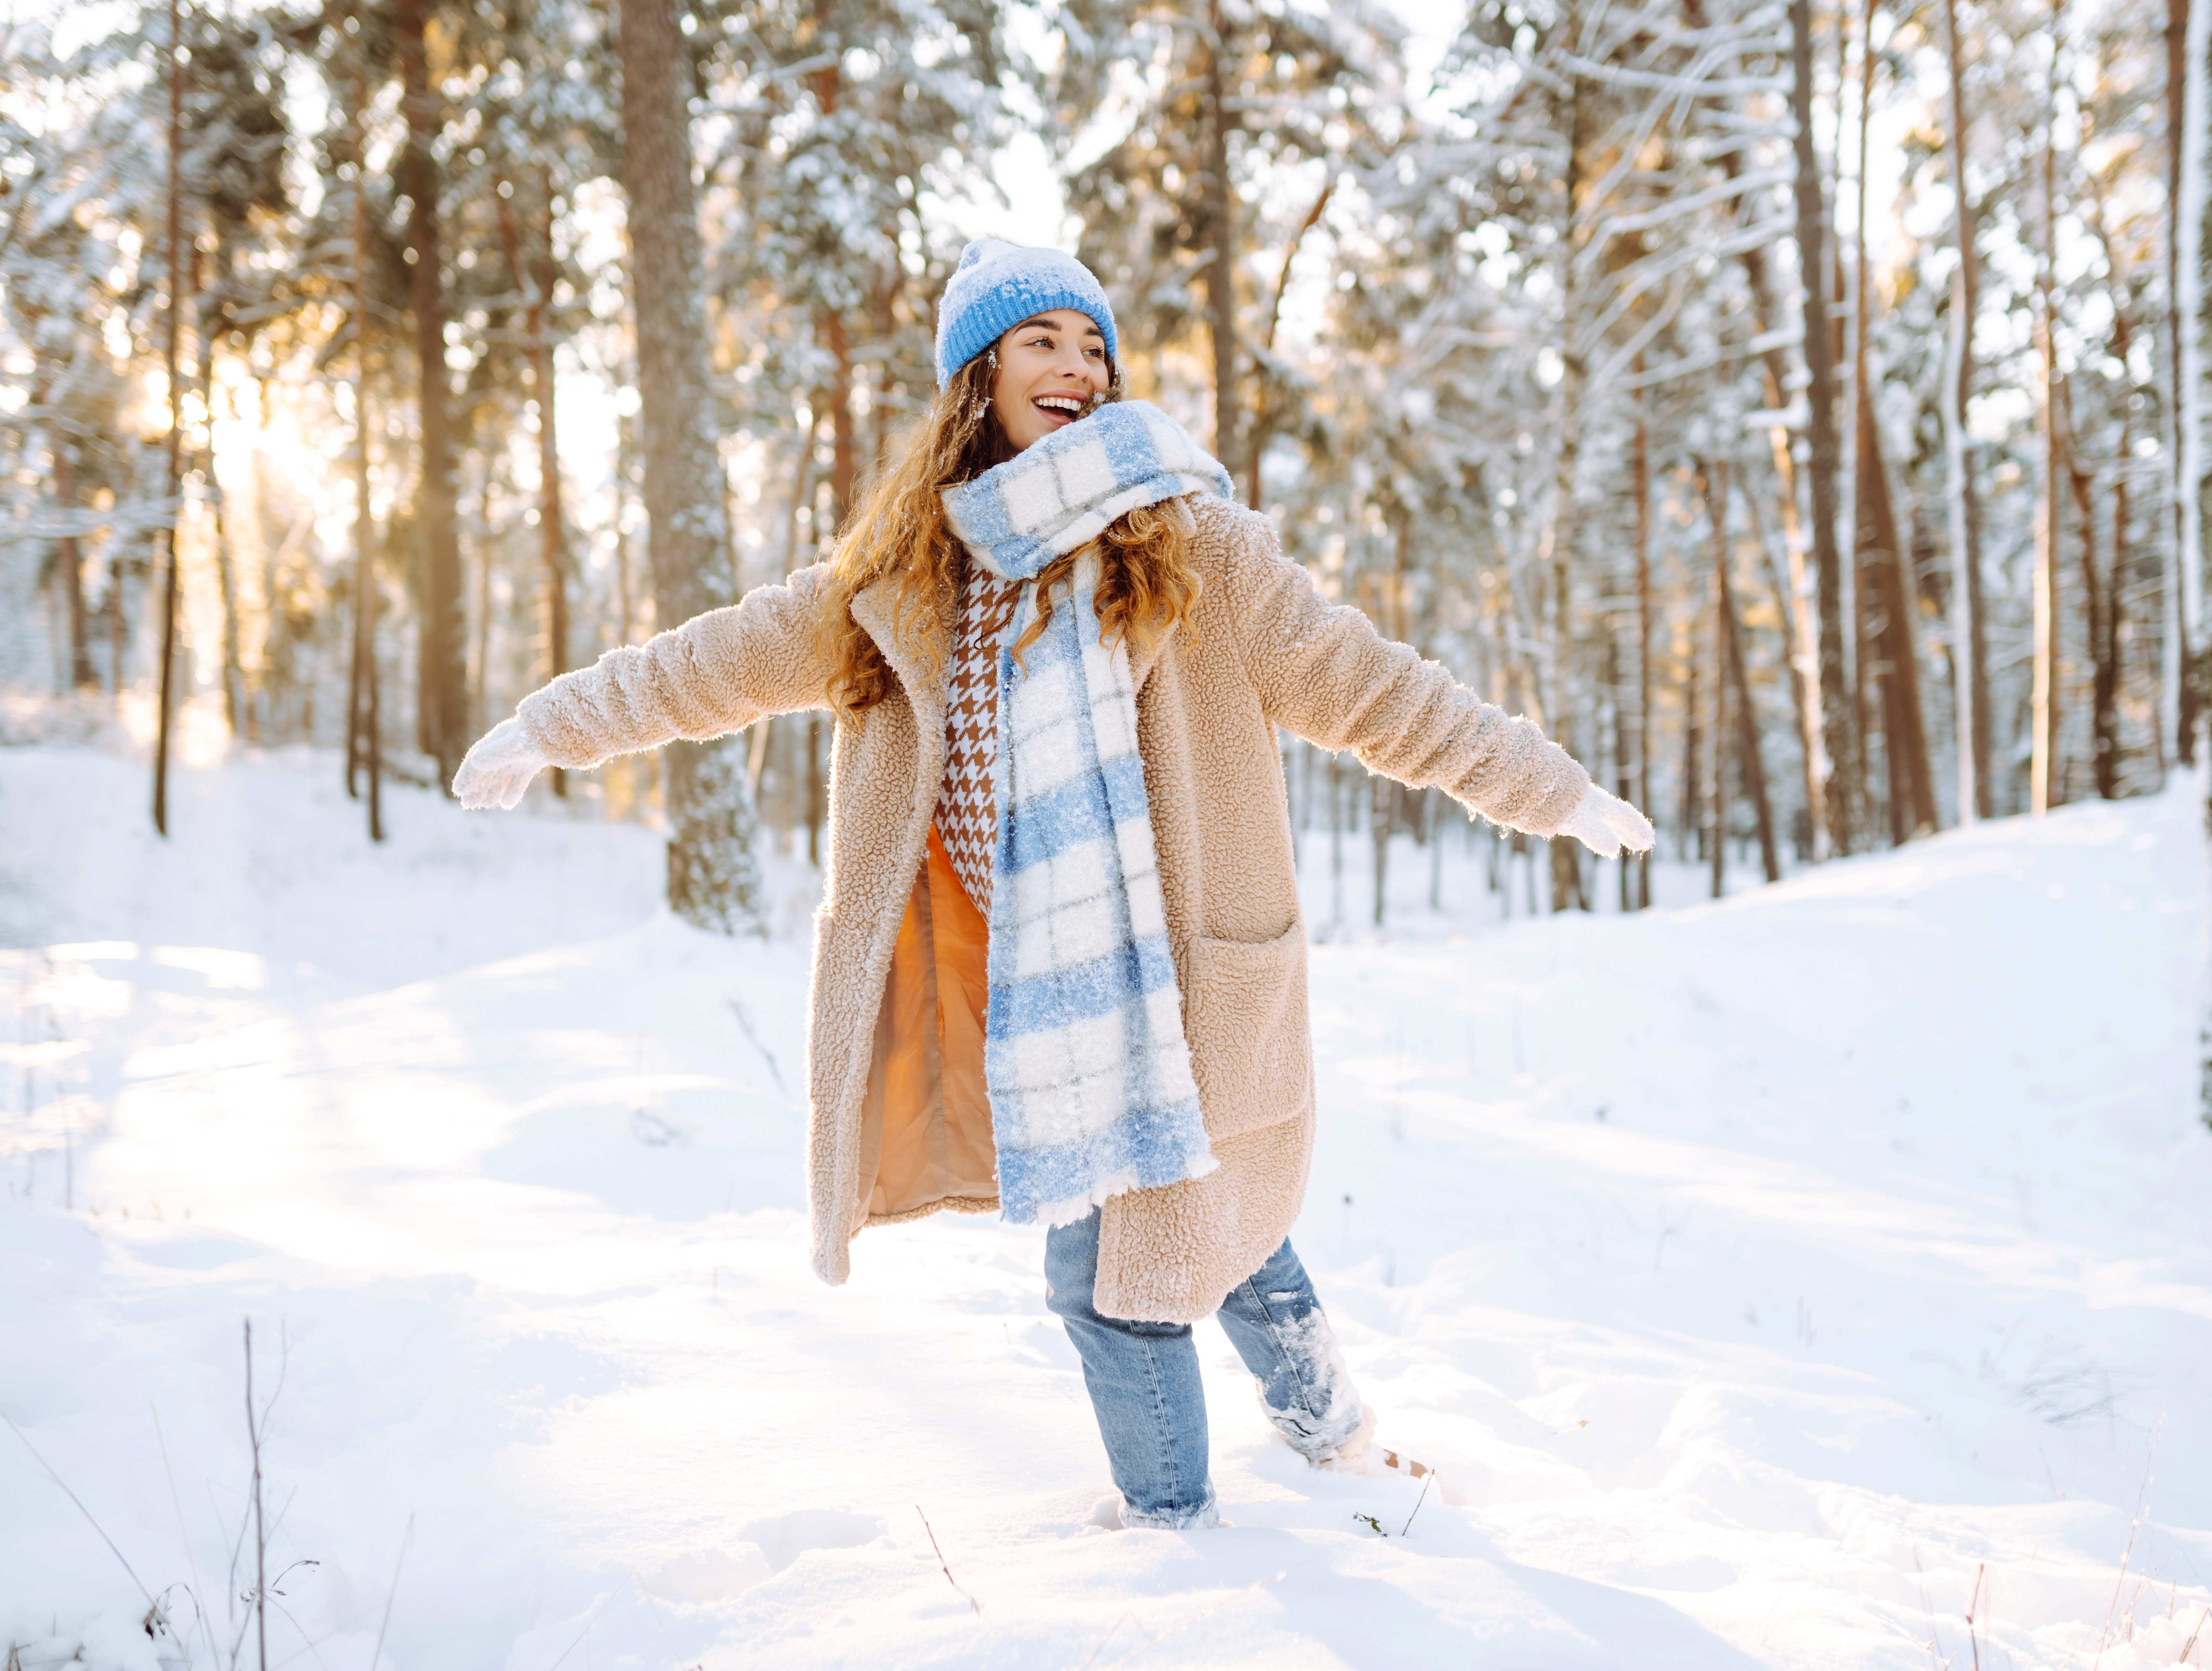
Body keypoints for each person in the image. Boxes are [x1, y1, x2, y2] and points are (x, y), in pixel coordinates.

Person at [454, 239, 1655, 1530]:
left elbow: (1374, 688)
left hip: (1183, 988)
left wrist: (1544, 788)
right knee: (1211, 1225)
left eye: (1094, 347)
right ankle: (1343, 1447)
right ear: (978, 380)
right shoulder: (906, 582)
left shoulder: (1200, 552)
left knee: (1119, 1281)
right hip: (1031, 1003)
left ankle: (1180, 1542)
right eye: (1044, 343)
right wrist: (554, 724)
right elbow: (719, 661)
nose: (1077, 368)